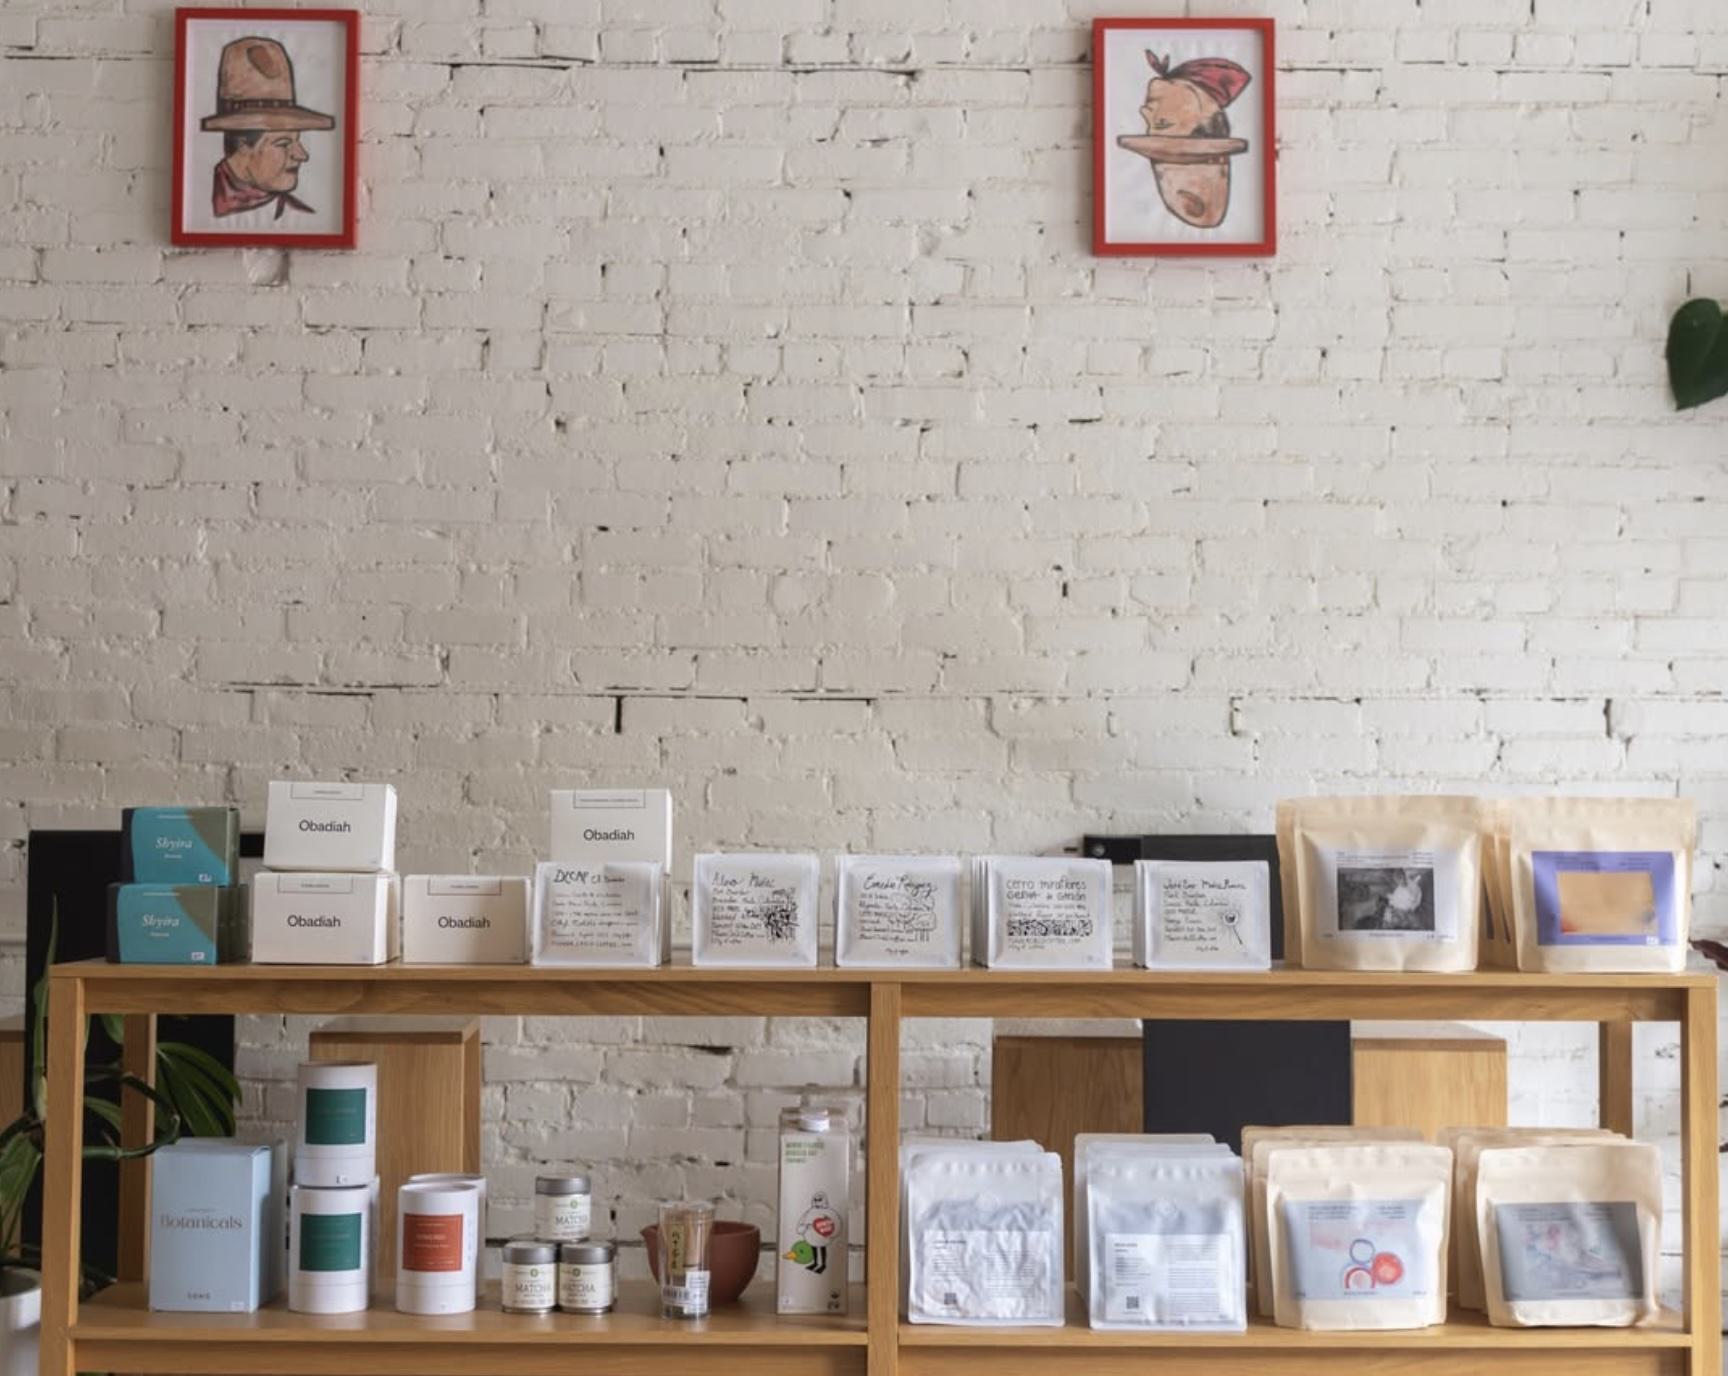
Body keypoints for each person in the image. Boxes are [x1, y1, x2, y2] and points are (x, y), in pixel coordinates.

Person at [199, 36, 333, 220]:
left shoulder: (299, 216)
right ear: (243, 144)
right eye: (284, 143)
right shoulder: (195, 193)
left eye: (297, 140)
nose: (302, 155)